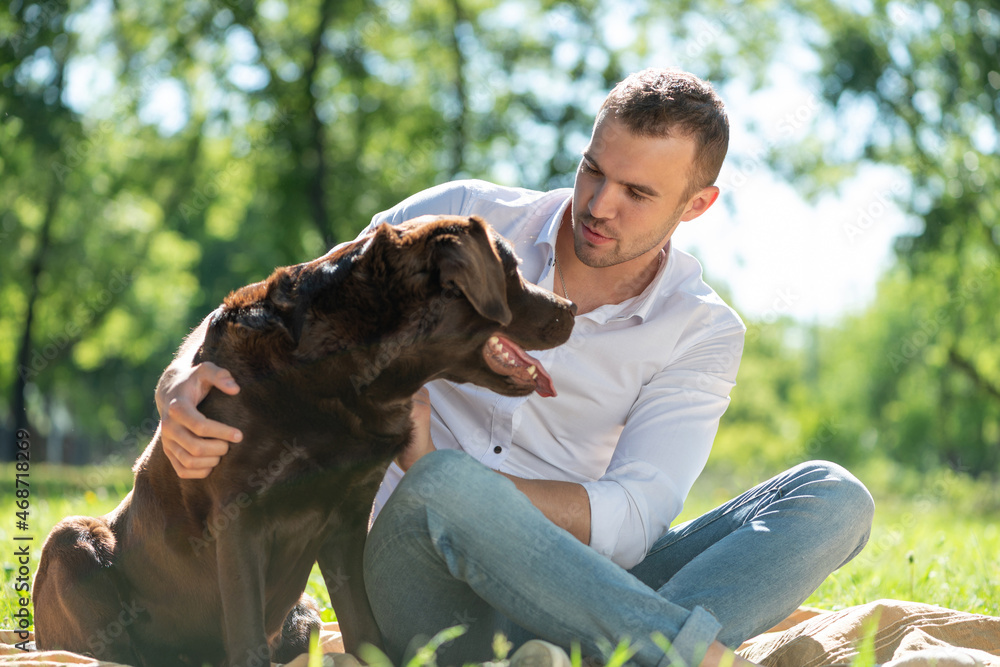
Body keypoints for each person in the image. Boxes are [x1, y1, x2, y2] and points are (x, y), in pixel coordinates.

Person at [155, 68, 875, 667]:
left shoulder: (701, 329)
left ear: (698, 204)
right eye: (593, 170)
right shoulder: (462, 219)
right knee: (439, 483)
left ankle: (610, 654)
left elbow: (633, 518)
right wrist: (180, 376)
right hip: (420, 573)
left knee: (834, 496)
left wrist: (485, 498)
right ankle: (682, 655)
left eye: (637, 194)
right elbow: (292, 299)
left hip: (583, 590)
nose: (598, 204)